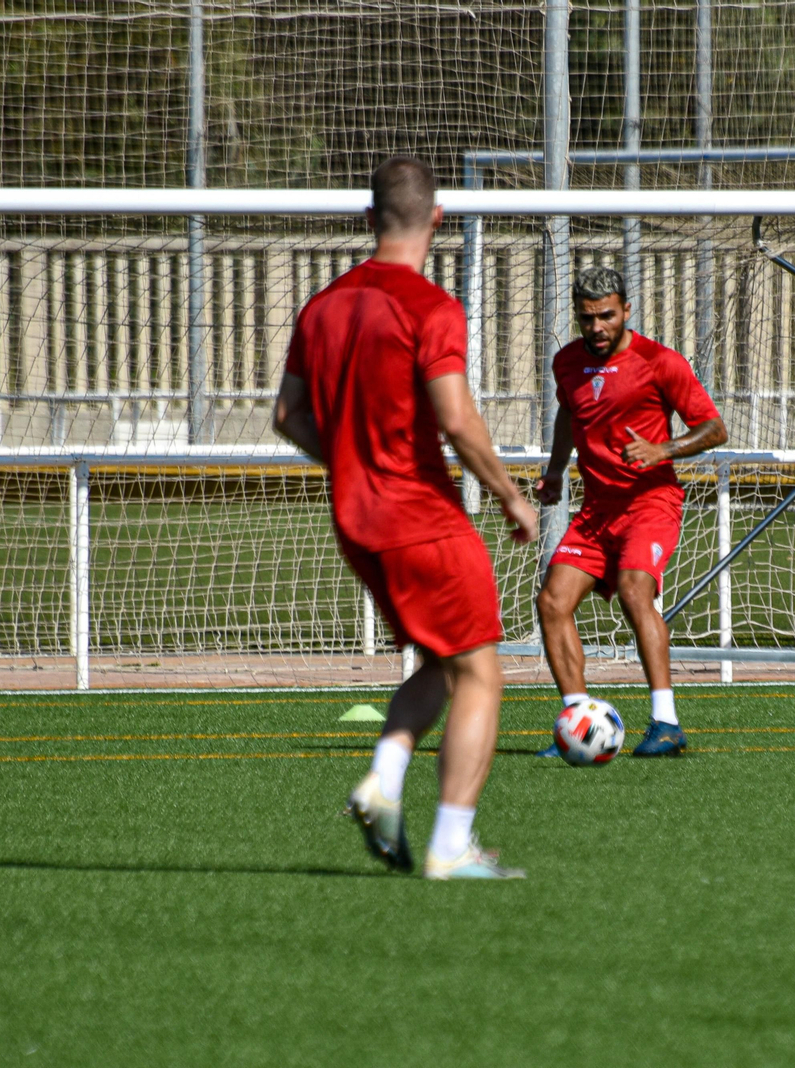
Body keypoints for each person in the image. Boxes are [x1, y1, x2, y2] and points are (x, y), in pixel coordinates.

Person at [274, 156, 537, 880]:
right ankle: (452, 847)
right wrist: (512, 496)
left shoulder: (322, 306)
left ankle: (384, 782)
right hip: (421, 516)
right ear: (439, 221)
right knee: (483, 673)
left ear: (369, 221)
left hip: (355, 523)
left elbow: (286, 416)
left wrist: (351, 462)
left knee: (441, 663)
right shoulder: (430, 306)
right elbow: (455, 415)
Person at [535, 266, 727, 758]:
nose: (596, 326)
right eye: (587, 318)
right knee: (552, 602)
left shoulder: (659, 362)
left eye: (606, 316)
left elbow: (713, 429)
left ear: (625, 311)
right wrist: (556, 471)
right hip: (597, 509)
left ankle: (666, 723)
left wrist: (664, 449)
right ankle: (578, 722)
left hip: (650, 502)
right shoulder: (566, 363)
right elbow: (568, 414)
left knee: (633, 590)